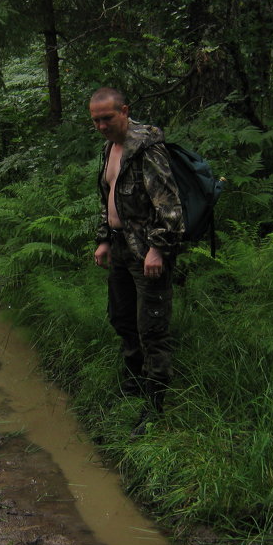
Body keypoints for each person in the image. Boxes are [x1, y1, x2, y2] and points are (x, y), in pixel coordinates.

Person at [90, 87, 183, 434]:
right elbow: (108, 198)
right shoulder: (109, 149)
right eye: (96, 120)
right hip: (120, 247)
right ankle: (132, 383)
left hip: (148, 253)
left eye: (107, 118)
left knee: (152, 328)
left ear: (125, 111)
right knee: (121, 317)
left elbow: (170, 205)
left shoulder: (147, 148)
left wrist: (158, 249)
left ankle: (154, 404)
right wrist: (103, 239)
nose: (101, 126)